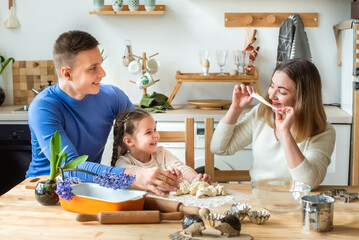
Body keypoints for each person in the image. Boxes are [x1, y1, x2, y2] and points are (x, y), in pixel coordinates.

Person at [26, 30, 178, 196]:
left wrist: (170, 169)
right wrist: (134, 177)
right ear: (67, 73)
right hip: (44, 191)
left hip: (88, 188)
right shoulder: (43, 107)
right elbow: (70, 167)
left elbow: (141, 136)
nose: (103, 73)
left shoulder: (112, 96)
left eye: (100, 64)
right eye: (93, 68)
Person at [210, 58, 335, 189]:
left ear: (303, 98)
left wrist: (285, 133)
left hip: (295, 202)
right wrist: (235, 108)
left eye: (282, 91)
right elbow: (218, 148)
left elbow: (309, 182)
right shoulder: (261, 113)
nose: (271, 95)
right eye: (271, 86)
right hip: (259, 197)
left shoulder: (324, 132)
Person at [112, 109, 211, 184]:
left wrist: (195, 179)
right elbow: (138, 176)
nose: (156, 135)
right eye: (148, 132)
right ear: (129, 141)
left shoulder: (161, 153)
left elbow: (182, 168)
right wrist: (165, 174)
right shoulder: (122, 164)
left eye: (155, 129)